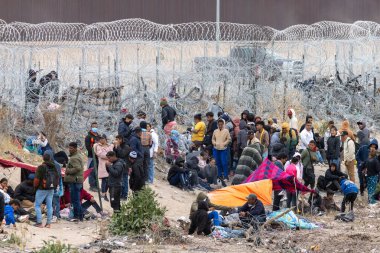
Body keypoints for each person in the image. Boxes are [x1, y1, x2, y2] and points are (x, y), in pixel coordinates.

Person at [34, 153, 59, 228]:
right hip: (51, 188)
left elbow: (36, 179)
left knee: (37, 205)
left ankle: (39, 222)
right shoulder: (54, 167)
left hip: (42, 188)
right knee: (49, 206)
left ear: (43, 158)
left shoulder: (41, 167)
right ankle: (48, 223)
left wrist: (35, 187)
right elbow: (57, 178)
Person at [64, 142, 84, 222]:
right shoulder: (77, 155)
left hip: (75, 181)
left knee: (75, 200)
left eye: (71, 148)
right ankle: (80, 216)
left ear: (75, 148)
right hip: (78, 180)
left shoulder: (74, 158)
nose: (69, 150)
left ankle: (77, 216)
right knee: (77, 199)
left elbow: (78, 168)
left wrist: (68, 171)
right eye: (69, 148)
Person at [94, 134, 114, 201]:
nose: (101, 140)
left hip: (110, 165)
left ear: (105, 139)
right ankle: (103, 194)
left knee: (109, 181)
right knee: (104, 180)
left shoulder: (110, 146)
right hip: (102, 166)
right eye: (100, 139)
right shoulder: (98, 146)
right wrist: (108, 154)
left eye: (102, 138)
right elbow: (100, 154)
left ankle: (106, 193)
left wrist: (106, 153)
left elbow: (112, 154)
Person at [45, 150, 63, 221]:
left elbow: (57, 176)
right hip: (48, 185)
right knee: (50, 201)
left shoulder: (56, 165)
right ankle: (54, 214)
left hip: (55, 185)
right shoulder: (46, 163)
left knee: (55, 200)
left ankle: (56, 215)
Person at [113, 135, 131, 199]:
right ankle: (120, 195)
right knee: (119, 181)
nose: (116, 141)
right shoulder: (118, 146)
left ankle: (124, 195)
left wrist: (118, 147)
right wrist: (115, 148)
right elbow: (115, 155)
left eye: (117, 139)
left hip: (124, 166)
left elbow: (122, 154)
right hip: (118, 166)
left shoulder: (127, 147)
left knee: (124, 181)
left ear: (121, 139)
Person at [85, 122, 99, 191]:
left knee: (96, 171)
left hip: (98, 157)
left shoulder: (98, 136)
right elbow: (88, 147)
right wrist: (95, 152)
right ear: (91, 127)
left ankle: (96, 185)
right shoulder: (88, 137)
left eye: (96, 127)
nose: (95, 128)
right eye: (94, 127)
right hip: (92, 156)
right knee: (92, 171)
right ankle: (92, 186)